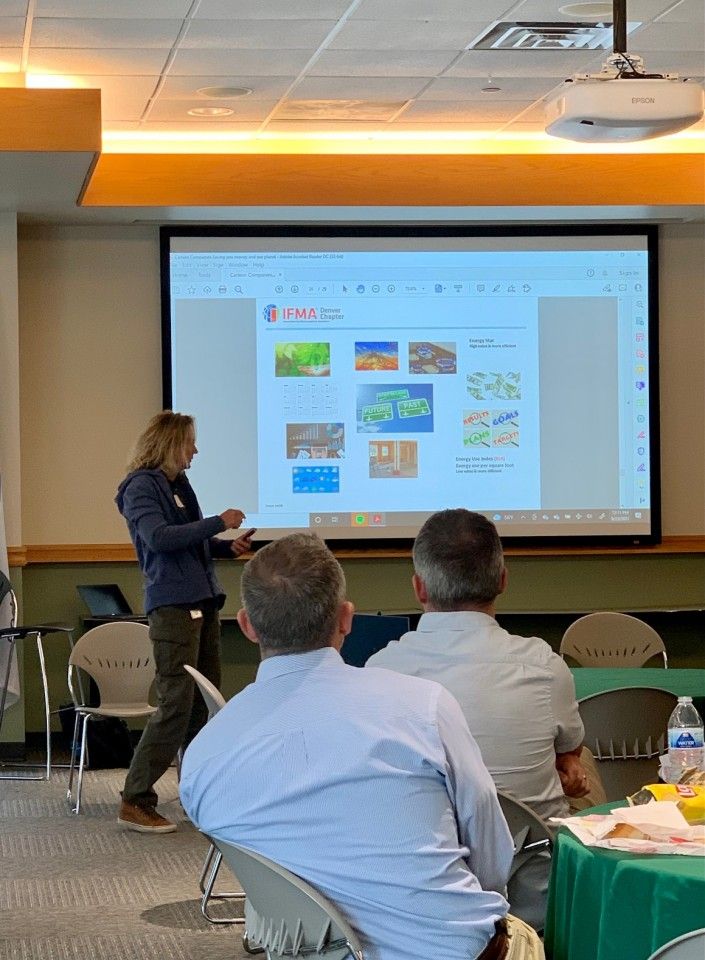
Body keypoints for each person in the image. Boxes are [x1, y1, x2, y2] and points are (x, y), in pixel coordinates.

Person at [180, 533, 543, 960]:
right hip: (455, 951)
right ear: (346, 618)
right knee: (523, 934)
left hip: (310, 953)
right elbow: (491, 858)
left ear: (246, 625)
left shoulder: (202, 760)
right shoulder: (423, 705)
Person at [367, 509, 594, 821]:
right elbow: (569, 752)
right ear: (502, 580)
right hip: (533, 862)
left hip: (427, 862)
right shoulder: (544, 667)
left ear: (419, 588)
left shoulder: (378, 673)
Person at [115, 410, 252, 834]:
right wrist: (219, 521)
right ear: (170, 444)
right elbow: (160, 539)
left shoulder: (177, 485)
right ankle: (135, 798)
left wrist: (225, 548)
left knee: (202, 701)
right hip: (173, 605)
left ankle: (195, 793)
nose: (196, 450)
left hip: (201, 600)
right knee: (177, 702)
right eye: (190, 443)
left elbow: (187, 537)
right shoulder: (140, 487)